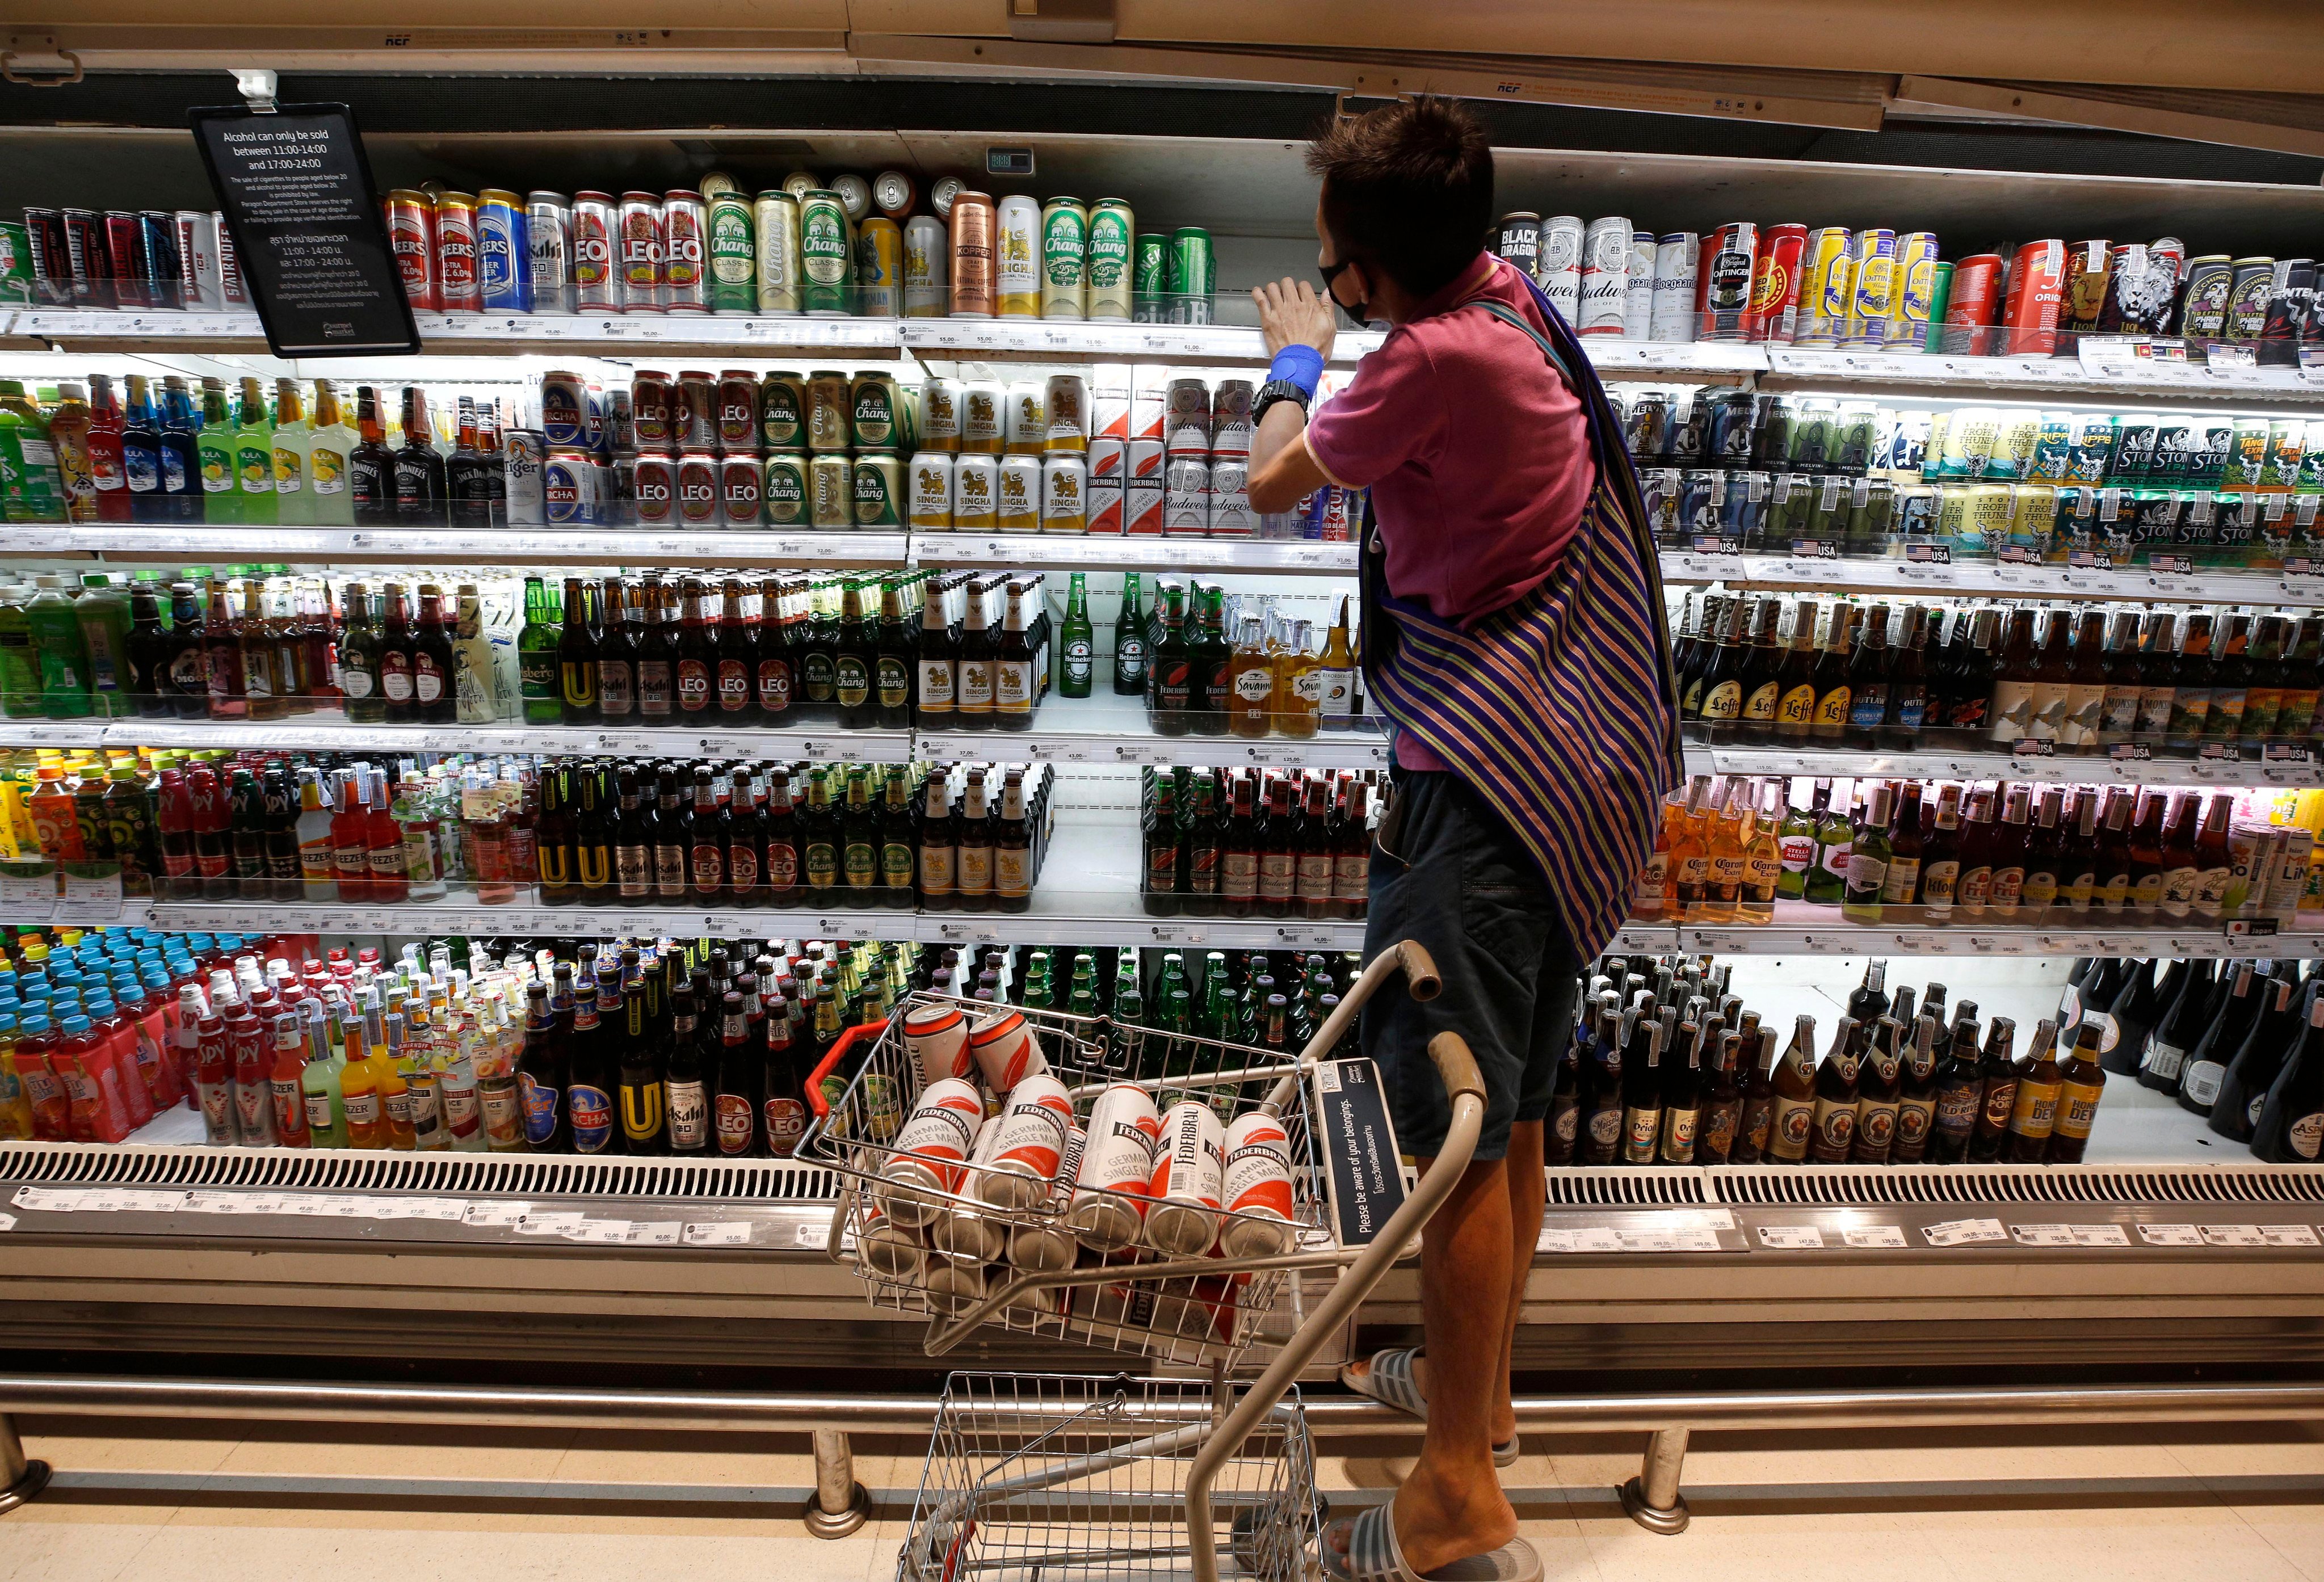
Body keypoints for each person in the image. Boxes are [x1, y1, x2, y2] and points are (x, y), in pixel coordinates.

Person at [1247, 97, 1681, 1582]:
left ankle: (1451, 1501)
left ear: (1371, 270)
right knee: (1523, 1108)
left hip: (1483, 783)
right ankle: (1475, 1403)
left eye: (1333, 262)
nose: (1326, 276)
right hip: (1572, 774)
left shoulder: (1423, 363)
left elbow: (1271, 476)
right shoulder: (1518, 307)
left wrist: (1295, 354)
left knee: (1454, 1144)